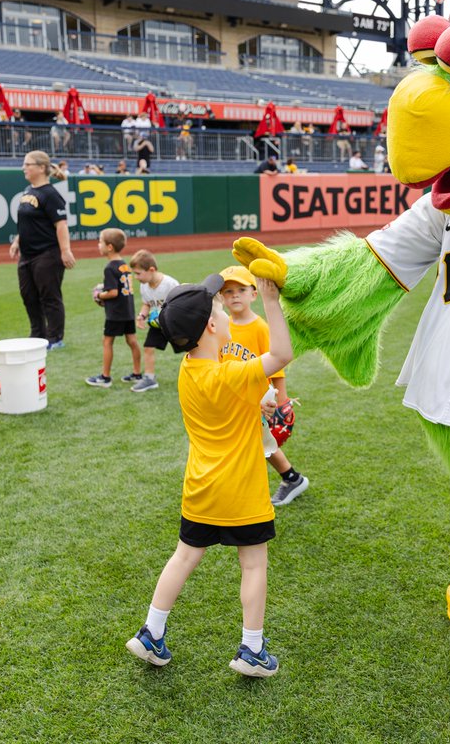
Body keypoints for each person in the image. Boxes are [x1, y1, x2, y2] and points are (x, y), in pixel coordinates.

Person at [125, 271, 293, 677]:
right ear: (214, 326)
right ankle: (252, 649)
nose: (224, 308)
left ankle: (152, 631)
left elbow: (232, 400)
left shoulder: (189, 371)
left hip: (200, 487)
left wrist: (259, 404)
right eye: (219, 307)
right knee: (253, 565)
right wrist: (270, 300)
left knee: (184, 557)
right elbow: (282, 355)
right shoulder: (232, 373)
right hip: (242, 491)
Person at [218, 266, 309, 506]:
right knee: (254, 443)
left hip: (258, 400)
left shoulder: (259, 328)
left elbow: (277, 366)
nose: (235, 295)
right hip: (232, 398)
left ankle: (288, 479)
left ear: (253, 294)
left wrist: (283, 402)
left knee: (258, 443)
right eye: (228, 291)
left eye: (241, 289)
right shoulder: (222, 325)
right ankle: (292, 478)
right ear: (221, 297)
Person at [10, 150, 75, 351]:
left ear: (41, 168)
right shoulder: (28, 191)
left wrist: (65, 250)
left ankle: (55, 337)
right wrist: (17, 241)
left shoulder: (51, 194)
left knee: (49, 296)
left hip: (47, 254)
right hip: (27, 255)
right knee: (28, 296)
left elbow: (61, 225)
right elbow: (28, 222)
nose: (24, 168)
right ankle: (37, 335)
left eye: (27, 164)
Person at [85, 228, 142, 388]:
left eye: (100, 242)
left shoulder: (109, 267)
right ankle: (137, 373)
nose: (98, 245)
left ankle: (105, 377)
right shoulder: (124, 265)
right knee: (132, 341)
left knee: (107, 341)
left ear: (109, 247)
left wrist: (98, 295)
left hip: (116, 313)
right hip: (128, 310)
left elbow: (113, 292)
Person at [128, 249, 179, 392]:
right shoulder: (144, 286)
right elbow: (147, 303)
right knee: (148, 347)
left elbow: (181, 303)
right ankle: (149, 379)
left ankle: (201, 371)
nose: (136, 277)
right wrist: (141, 316)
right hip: (158, 324)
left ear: (151, 270)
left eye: (138, 273)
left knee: (191, 347)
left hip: (175, 323)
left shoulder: (170, 284)